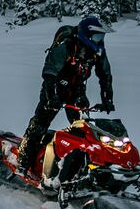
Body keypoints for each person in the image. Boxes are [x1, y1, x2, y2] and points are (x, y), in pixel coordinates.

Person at [14, 15, 114, 177]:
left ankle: (82, 166)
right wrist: (51, 96)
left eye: (101, 37)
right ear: (87, 35)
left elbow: (105, 75)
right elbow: (50, 72)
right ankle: (23, 163)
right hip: (54, 88)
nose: (100, 40)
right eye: (97, 36)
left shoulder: (97, 51)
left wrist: (107, 99)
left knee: (84, 130)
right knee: (40, 123)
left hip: (77, 91)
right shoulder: (66, 47)